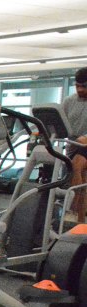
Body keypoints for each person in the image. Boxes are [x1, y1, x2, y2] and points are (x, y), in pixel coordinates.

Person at [61, 67, 87, 224]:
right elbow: (60, 122)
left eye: (84, 86)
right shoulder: (69, 101)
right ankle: (80, 220)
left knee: (77, 165)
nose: (80, 89)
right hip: (72, 143)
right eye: (77, 86)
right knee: (80, 177)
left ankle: (70, 210)